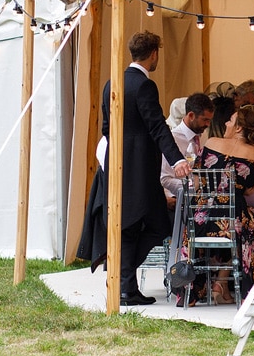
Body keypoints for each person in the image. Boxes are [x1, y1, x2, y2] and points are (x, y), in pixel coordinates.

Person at [77, 30, 190, 306]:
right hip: (139, 170)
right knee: (155, 224)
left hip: (115, 165)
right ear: (154, 54)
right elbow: (157, 127)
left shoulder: (111, 83)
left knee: (128, 226)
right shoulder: (144, 86)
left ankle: (122, 280)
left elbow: (106, 129)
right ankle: (123, 282)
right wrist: (176, 159)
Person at [178, 105, 254, 306]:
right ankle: (240, 285)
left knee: (252, 221)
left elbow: (197, 180)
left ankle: (202, 288)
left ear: (239, 127)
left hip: (200, 219)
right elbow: (249, 190)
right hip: (234, 221)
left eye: (230, 120)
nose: (226, 123)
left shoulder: (212, 142)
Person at [163, 92, 214, 199]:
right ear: (191, 115)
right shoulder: (172, 140)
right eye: (205, 120)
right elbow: (164, 179)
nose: (208, 125)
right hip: (177, 200)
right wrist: (194, 187)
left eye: (209, 120)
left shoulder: (203, 137)